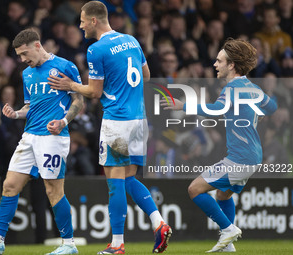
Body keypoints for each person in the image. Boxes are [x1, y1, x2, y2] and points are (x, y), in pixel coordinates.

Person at [47, 2, 172, 254]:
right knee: (128, 178)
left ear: (94, 20)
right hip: (139, 120)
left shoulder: (96, 49)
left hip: (117, 121)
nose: (80, 25)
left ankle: (117, 244)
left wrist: (70, 85)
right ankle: (159, 223)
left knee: (115, 182)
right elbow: (146, 76)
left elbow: (94, 92)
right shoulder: (132, 40)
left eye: (82, 20)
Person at [0, 28, 83, 255]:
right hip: (29, 136)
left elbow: (79, 101)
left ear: (37, 46)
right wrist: (16, 114)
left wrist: (64, 121)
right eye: (19, 56)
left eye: (23, 54)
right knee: (10, 185)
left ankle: (69, 244)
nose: (22, 60)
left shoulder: (65, 66)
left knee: (54, 191)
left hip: (53, 137)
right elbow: (30, 106)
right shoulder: (27, 74)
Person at [162, 38, 277, 252]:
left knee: (195, 189)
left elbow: (215, 109)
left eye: (219, 61)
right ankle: (228, 245)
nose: (215, 65)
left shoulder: (232, 88)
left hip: (241, 158)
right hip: (252, 156)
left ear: (231, 65)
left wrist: (183, 104)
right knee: (223, 194)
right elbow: (272, 106)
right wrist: (259, 113)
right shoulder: (252, 88)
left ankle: (228, 229)